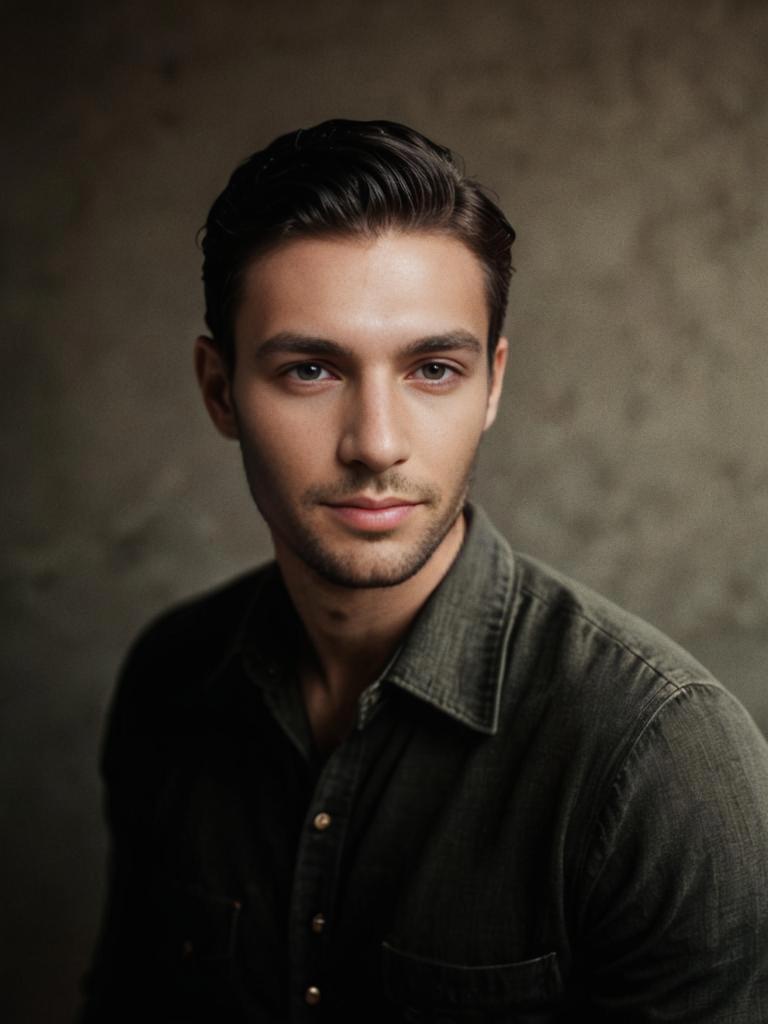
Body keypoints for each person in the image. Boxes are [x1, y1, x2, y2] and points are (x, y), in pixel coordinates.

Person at [80, 119, 768, 1023]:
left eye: (434, 369)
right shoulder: (170, 681)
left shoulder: (660, 763)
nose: (377, 444)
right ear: (219, 391)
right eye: (312, 370)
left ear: (492, 387)